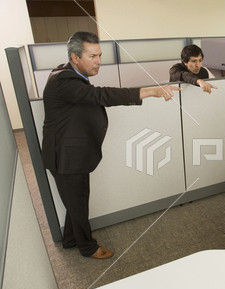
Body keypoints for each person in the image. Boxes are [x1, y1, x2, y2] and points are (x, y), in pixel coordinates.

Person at [42, 31, 181, 259]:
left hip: (70, 154)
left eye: (100, 55)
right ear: (75, 57)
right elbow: (101, 96)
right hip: (66, 158)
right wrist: (151, 91)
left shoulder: (67, 72)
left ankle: (70, 240)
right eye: (92, 56)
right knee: (78, 203)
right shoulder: (64, 80)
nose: (99, 61)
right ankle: (87, 247)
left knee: (75, 201)